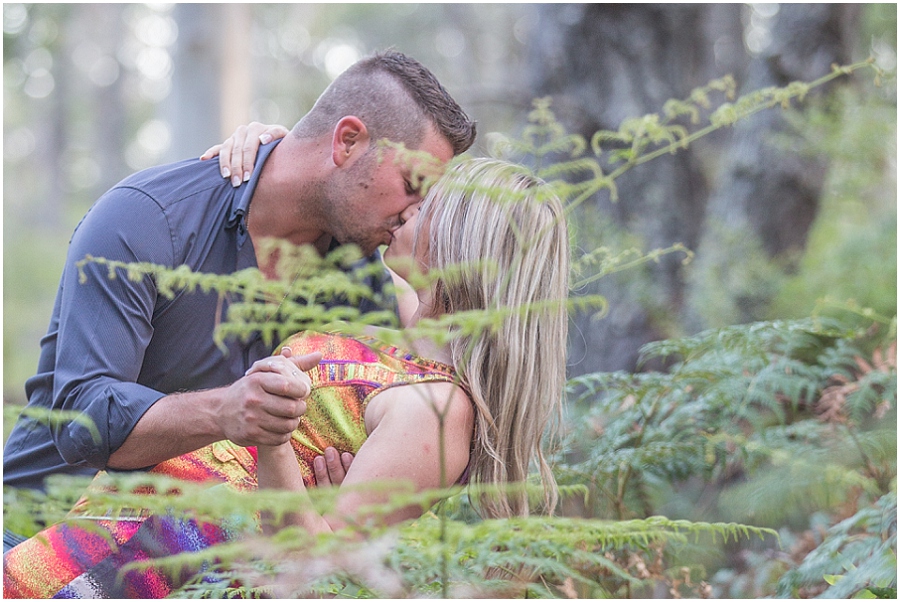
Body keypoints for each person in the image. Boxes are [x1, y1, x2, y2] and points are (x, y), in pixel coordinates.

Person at [3, 158, 571, 598]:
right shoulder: (402, 332)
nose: (406, 209)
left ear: (466, 251)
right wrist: (276, 158)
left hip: (150, 566)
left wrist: (273, 442)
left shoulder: (438, 410)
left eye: (430, 208)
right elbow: (318, 190)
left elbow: (314, 570)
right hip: (110, 529)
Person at [2, 50, 476, 504]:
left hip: (205, 566)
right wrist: (227, 411)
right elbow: (82, 421)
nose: (414, 212)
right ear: (347, 141)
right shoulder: (148, 219)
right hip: (35, 533)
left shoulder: (362, 278)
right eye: (413, 185)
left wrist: (330, 493)